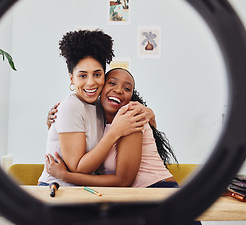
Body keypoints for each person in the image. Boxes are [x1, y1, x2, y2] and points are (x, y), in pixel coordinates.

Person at [38, 30, 150, 186]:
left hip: (83, 190)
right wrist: (115, 132)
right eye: (82, 76)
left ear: (104, 75)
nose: (91, 83)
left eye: (97, 74)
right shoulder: (72, 106)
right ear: (72, 78)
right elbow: (77, 167)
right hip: (58, 188)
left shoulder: (98, 105)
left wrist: (149, 114)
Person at [45, 68, 179, 188]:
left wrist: (65, 176)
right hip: (134, 196)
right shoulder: (98, 120)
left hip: (157, 189)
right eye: (112, 83)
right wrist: (53, 124)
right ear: (101, 88)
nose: (119, 90)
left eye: (127, 88)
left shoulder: (130, 117)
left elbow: (123, 181)